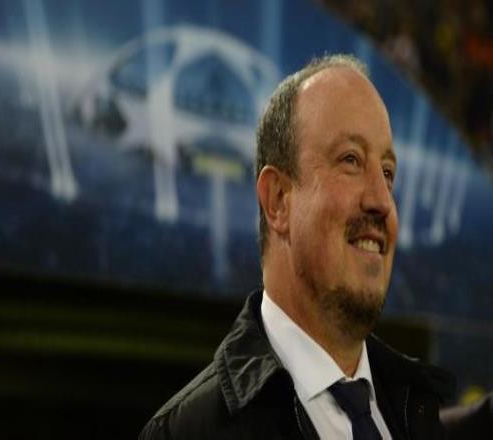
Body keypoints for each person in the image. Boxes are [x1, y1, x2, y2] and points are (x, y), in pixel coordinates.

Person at [139, 54, 455, 440]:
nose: (382, 200)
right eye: (351, 160)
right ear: (278, 201)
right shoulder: (187, 433)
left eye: (388, 173)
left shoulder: (421, 413)